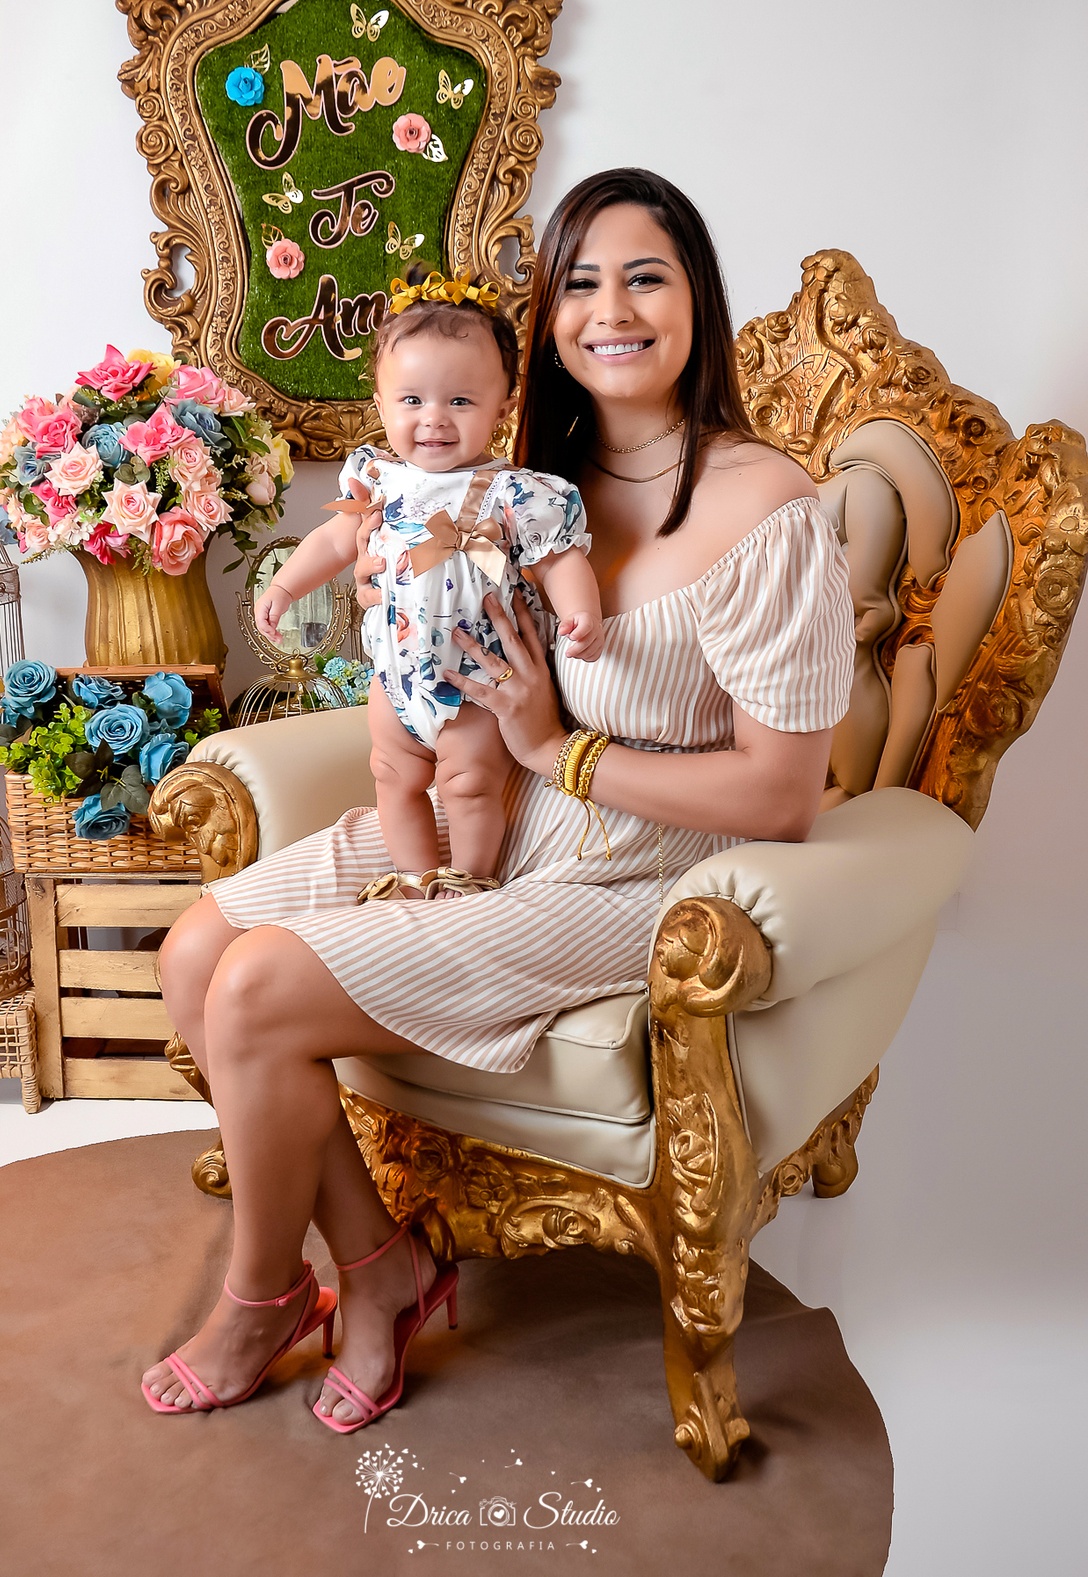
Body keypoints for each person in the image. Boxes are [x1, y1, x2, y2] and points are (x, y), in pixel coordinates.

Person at [141, 168, 856, 1433]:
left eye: (646, 275)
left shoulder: (767, 507)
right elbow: (412, 584)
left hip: (642, 863)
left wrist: (553, 746)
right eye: (578, 282)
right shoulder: (525, 467)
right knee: (197, 953)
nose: (610, 309)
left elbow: (785, 796)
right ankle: (382, 1266)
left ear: (699, 298)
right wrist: (380, 596)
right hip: (498, 816)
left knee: (255, 988)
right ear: (545, 321)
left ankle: (262, 1295)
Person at [252, 271, 603, 903]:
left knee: (470, 782)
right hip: (396, 671)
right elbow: (334, 542)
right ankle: (413, 881)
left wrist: (581, 611)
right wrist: (284, 585)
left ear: (503, 405)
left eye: (460, 402)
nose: (434, 419)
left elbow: (559, 559)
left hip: (480, 675)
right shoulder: (377, 479)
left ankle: (468, 880)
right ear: (382, 404)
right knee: (391, 774)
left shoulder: (516, 493)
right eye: (412, 401)